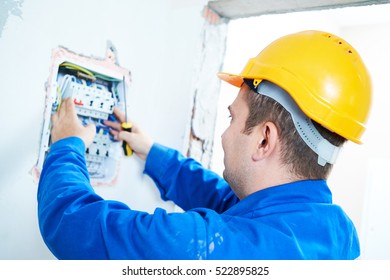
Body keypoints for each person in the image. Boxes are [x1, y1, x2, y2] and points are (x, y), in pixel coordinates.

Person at [37, 30, 372, 259]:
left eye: (232, 119)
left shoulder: (211, 251)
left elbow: (69, 223)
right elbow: (229, 201)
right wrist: (151, 151)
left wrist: (67, 145)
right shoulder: (337, 233)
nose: (225, 135)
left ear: (265, 139)